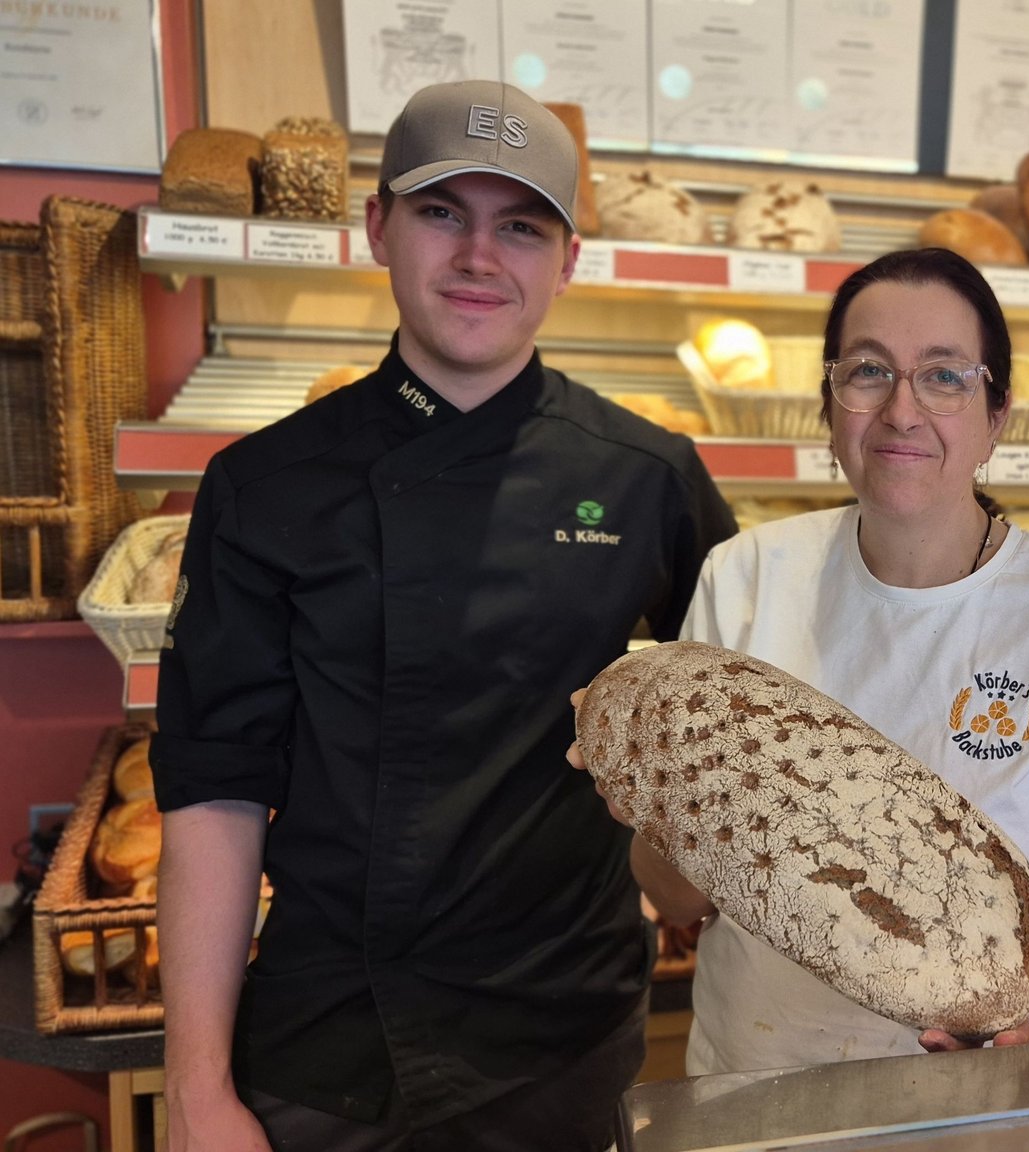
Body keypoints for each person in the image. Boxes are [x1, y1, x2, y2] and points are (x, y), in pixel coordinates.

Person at [152, 79, 736, 1152]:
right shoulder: (262, 484)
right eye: (440, 213)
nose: (479, 257)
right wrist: (194, 1090)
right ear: (377, 228)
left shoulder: (648, 478)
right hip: (330, 1040)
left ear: (567, 262)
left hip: (561, 1038)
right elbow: (211, 791)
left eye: (519, 227)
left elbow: (746, 730)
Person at [578, 247, 1029, 1074]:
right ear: (830, 405)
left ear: (998, 415)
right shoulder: (748, 578)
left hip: (989, 1093)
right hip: (762, 1079)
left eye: (945, 376)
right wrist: (649, 791)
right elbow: (676, 899)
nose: (902, 411)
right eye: (869, 372)